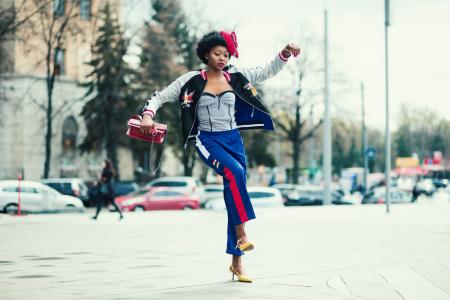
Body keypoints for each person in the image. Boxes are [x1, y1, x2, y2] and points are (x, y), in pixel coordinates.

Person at [139, 30, 300, 282]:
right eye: (217, 53)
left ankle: (237, 263)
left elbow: (268, 70)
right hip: (208, 140)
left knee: (233, 193)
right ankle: (243, 235)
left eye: (226, 54)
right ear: (206, 54)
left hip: (234, 140)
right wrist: (148, 116)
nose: (223, 58)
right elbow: (159, 97)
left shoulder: (236, 76)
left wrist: (285, 53)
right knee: (234, 173)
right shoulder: (191, 80)